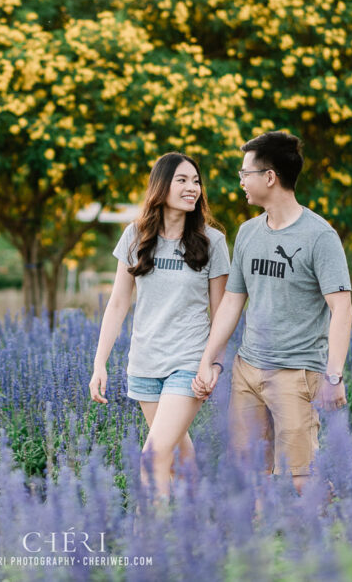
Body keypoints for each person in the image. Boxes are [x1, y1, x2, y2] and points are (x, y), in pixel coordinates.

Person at [192, 131, 352, 494]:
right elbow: (233, 301)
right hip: (248, 371)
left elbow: (341, 308)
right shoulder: (248, 232)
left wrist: (333, 375)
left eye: (245, 173)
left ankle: (326, 540)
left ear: (269, 177)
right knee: (250, 474)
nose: (241, 182)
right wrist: (208, 359)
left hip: (296, 373)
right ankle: (260, 544)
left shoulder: (319, 236)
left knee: (302, 477)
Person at [89, 152, 230, 500]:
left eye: (196, 181)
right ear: (161, 185)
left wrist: (212, 363)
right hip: (145, 363)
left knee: (153, 456)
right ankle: (195, 523)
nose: (192, 188)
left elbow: (222, 311)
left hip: (188, 363)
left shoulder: (213, 242)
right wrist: (99, 361)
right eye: (182, 180)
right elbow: (119, 302)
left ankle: (152, 534)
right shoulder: (135, 236)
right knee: (178, 455)